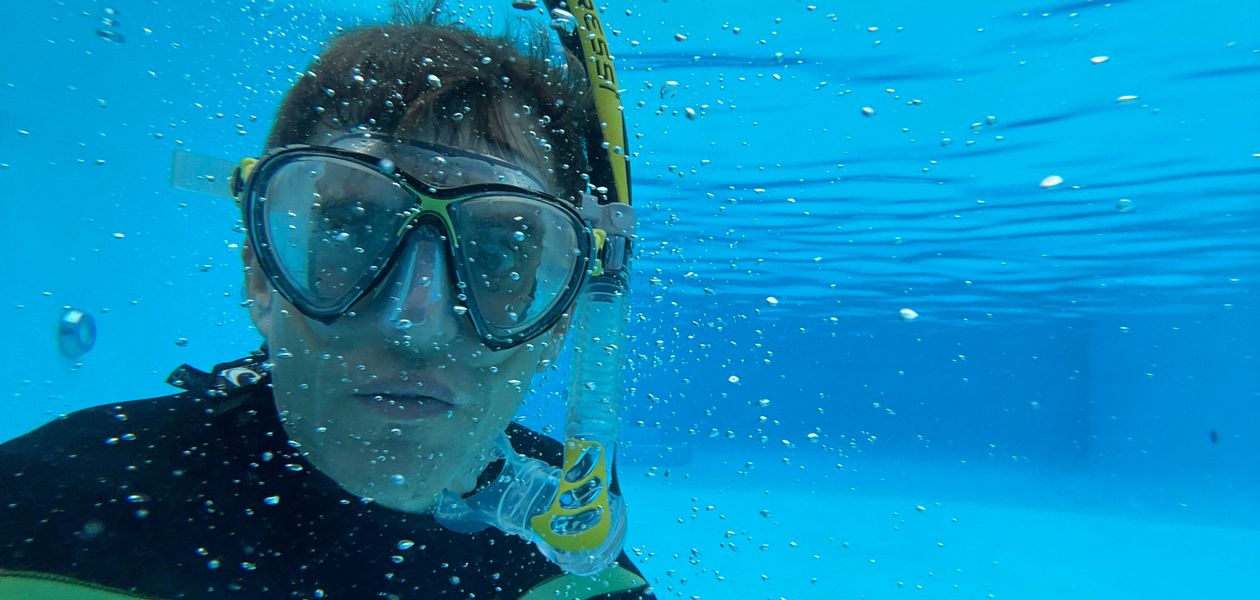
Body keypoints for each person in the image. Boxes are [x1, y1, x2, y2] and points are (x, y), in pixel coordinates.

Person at [0, 3, 652, 599]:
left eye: (497, 253)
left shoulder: (567, 531)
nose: (417, 321)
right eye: (354, 231)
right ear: (260, 275)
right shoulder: (54, 513)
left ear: (563, 318)